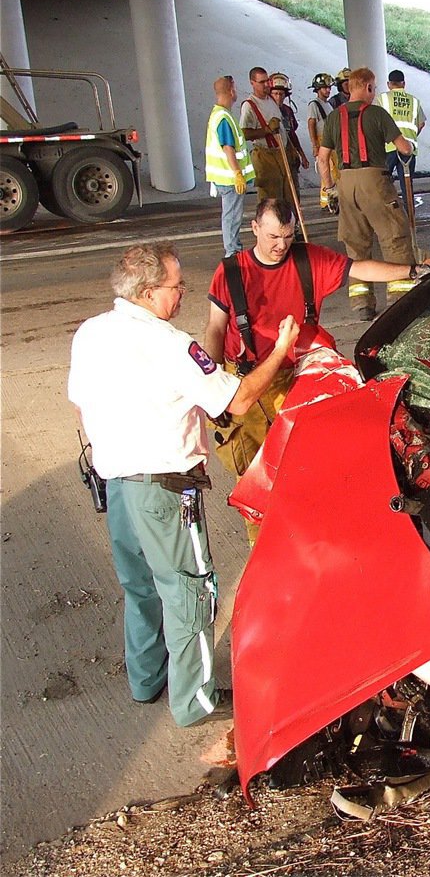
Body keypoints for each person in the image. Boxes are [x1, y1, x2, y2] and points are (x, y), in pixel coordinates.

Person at [68, 242, 299, 727]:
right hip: (167, 490)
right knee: (190, 590)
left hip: (118, 484)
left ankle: (146, 679)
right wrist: (279, 351)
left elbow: (79, 403)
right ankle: (196, 700)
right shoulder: (170, 345)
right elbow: (235, 402)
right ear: (150, 293)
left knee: (141, 587)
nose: (182, 294)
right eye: (177, 286)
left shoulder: (91, 333)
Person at [203, 199, 414, 511]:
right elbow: (215, 330)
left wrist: (413, 271)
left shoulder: (307, 260)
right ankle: (263, 550)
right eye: (273, 237)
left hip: (295, 381)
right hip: (246, 384)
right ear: (255, 228)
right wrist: (213, 386)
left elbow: (360, 268)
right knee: (256, 486)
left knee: (306, 471)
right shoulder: (232, 272)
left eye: (288, 237)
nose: (281, 245)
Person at [317, 67, 423, 321]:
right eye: (373, 88)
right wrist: (407, 148)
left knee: (355, 245)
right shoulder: (376, 114)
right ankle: (400, 301)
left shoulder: (334, 117)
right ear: (366, 87)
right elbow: (404, 147)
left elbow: (322, 159)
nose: (373, 93)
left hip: (345, 184)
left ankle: (362, 305)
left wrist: (329, 188)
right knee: (395, 238)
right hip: (374, 182)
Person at [204, 75, 255, 258]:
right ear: (231, 91)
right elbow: (228, 148)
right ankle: (232, 252)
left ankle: (233, 249)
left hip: (225, 178)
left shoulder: (218, 114)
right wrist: (237, 173)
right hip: (230, 179)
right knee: (232, 216)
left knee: (230, 216)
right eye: (235, 88)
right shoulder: (224, 117)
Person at [377, 69, 426, 202]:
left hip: (389, 147)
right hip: (409, 148)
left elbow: (375, 122)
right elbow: (421, 124)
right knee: (407, 185)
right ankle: (409, 216)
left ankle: (385, 214)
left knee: (382, 183)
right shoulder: (414, 101)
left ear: (389, 84)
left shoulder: (382, 99)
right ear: (403, 84)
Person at [239, 66, 286, 206]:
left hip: (280, 153)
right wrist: (266, 130)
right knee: (269, 199)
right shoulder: (249, 105)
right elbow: (244, 133)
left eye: (267, 81)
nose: (266, 85)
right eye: (261, 82)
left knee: (284, 195)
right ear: (252, 83)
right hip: (265, 156)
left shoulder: (271, 100)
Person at [269, 72, 310, 192]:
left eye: (282, 94)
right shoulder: (264, 111)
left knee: (293, 189)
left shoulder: (287, 111)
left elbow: (292, 134)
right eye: (275, 94)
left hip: (288, 153)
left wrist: (302, 155)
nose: (279, 97)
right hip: (272, 156)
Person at [307, 72, 335, 163]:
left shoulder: (328, 105)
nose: (328, 90)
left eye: (329, 88)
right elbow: (311, 125)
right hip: (322, 142)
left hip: (331, 141)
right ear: (318, 89)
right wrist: (315, 145)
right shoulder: (314, 104)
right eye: (325, 88)